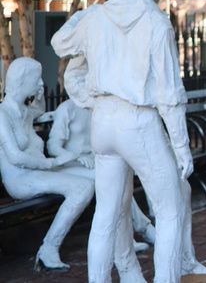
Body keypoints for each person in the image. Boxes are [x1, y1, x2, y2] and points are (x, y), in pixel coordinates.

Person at [52, 0, 205, 283]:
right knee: (170, 209)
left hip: (103, 123)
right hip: (138, 122)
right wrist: (181, 147)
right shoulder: (156, 22)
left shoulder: (98, 16)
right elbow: (170, 95)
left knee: (105, 214)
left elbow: (60, 43)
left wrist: (87, 13)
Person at [0, 57, 92, 271]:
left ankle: (126, 236)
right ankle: (49, 248)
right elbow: (15, 157)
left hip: (39, 171)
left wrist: (38, 96)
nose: (41, 83)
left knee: (102, 175)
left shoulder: (24, 112)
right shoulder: (3, 115)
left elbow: (39, 110)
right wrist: (54, 162)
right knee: (82, 187)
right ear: (21, 81)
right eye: (36, 79)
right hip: (21, 178)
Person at [47, 97, 157, 248]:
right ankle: (142, 230)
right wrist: (77, 157)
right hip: (70, 167)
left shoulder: (97, 107)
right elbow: (53, 146)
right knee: (111, 181)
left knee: (119, 179)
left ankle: (127, 239)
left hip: (94, 165)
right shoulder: (67, 109)